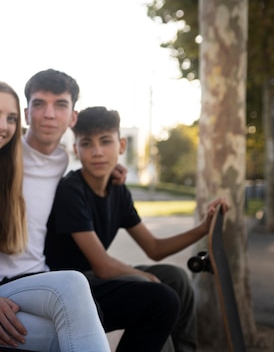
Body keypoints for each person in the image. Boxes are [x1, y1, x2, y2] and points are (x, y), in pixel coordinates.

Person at [45, 106, 229, 352]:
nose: (97, 152)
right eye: (87, 144)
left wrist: (203, 228)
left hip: (96, 281)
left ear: (121, 145)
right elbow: (102, 265)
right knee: (156, 294)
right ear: (76, 149)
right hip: (69, 286)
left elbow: (154, 248)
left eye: (105, 141)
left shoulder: (119, 190)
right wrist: (145, 277)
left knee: (177, 279)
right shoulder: (72, 191)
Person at [0, 79, 110, 352]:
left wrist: (108, 174)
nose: (3, 125)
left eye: (10, 118)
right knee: (72, 285)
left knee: (71, 330)